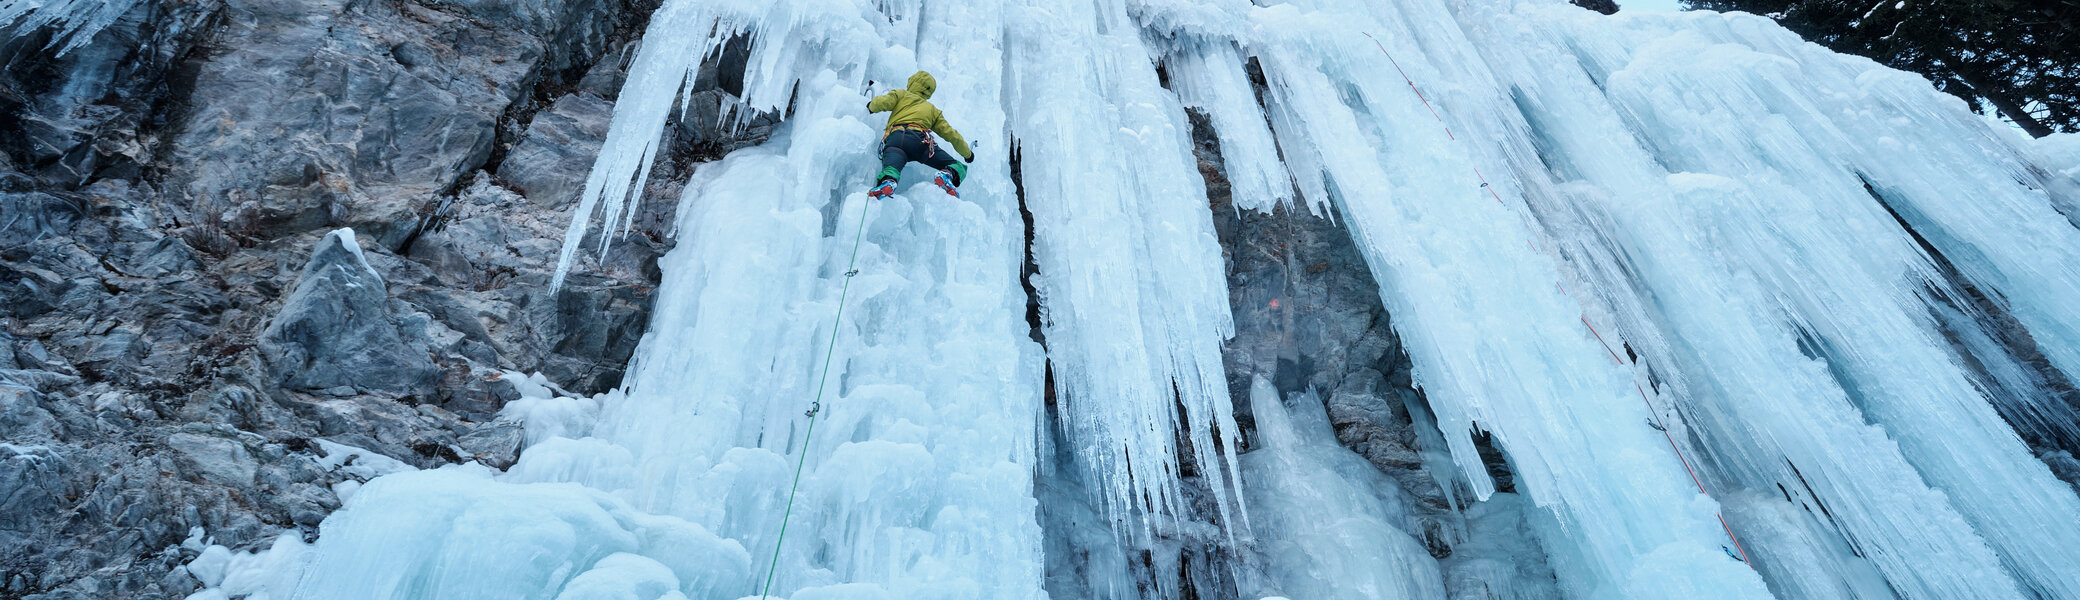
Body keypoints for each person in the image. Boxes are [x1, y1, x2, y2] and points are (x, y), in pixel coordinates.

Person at [866, 70, 973, 198]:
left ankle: (888, 182)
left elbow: (882, 102)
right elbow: (951, 134)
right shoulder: (933, 110)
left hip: (895, 140)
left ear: (912, 82)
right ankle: (947, 174)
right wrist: (968, 154)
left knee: (891, 168)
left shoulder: (901, 95)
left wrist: (870, 106)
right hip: (920, 142)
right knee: (956, 165)